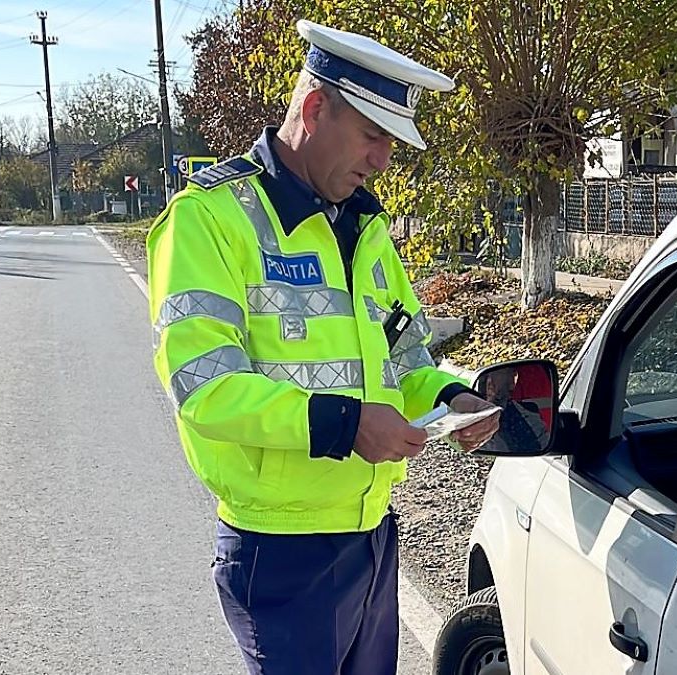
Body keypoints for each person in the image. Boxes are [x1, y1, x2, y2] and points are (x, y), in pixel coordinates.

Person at [145, 20, 500, 675]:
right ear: (313, 110)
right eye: (372, 136)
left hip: (371, 535)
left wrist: (452, 398)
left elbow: (405, 359)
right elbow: (204, 387)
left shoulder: (365, 227)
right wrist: (346, 423)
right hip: (280, 548)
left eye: (390, 142)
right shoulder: (208, 219)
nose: (383, 160)